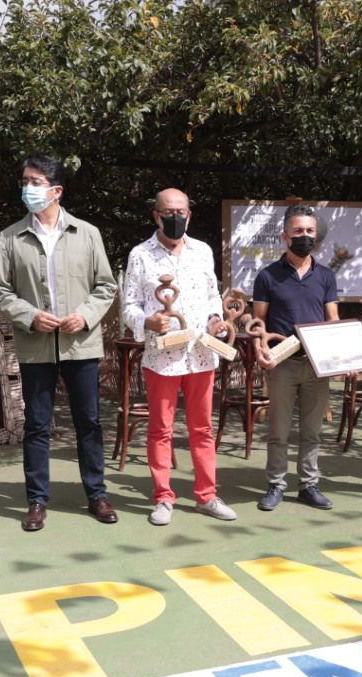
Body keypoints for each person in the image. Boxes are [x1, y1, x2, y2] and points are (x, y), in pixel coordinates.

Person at [0, 155, 118, 531]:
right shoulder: (10, 237)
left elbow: (106, 285)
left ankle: (97, 494)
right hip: (35, 345)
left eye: (36, 181)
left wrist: (86, 315)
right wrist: (29, 315)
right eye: (25, 180)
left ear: (56, 190)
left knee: (89, 422)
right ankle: (36, 500)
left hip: (81, 344)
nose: (27, 187)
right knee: (37, 424)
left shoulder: (87, 233)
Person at [121, 188, 237, 525]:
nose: (176, 217)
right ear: (156, 215)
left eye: (181, 212)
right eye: (168, 212)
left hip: (201, 353)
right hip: (162, 357)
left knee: (202, 429)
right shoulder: (140, 255)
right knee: (161, 430)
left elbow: (213, 295)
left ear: (190, 214)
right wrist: (147, 321)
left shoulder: (202, 251)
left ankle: (207, 495)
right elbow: (128, 305)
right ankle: (163, 497)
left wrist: (216, 319)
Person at [252, 205, 340, 512]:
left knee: (312, 430)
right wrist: (262, 350)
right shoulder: (267, 276)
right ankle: (276, 484)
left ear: (317, 236)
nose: (305, 237)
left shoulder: (326, 275)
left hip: (317, 365)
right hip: (282, 365)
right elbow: (258, 322)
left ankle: (308, 484)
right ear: (285, 236)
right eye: (298, 232)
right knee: (279, 429)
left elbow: (333, 319)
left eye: (310, 232)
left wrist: (342, 355)